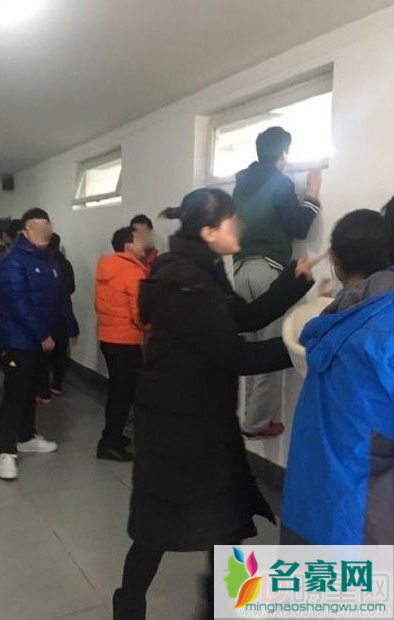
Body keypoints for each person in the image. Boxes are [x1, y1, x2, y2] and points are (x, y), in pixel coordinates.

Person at [114, 188, 315, 620]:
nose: (239, 225)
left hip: (197, 420)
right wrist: (307, 344)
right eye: (231, 220)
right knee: (159, 530)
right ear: (208, 231)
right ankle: (131, 607)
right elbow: (236, 356)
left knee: (222, 524)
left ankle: (219, 607)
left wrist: (294, 281)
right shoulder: (186, 283)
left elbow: (243, 318)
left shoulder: (201, 272)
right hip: (181, 429)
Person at [282, 209, 394, 545]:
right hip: (363, 523)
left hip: (313, 507)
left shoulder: (340, 318)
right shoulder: (382, 328)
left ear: (336, 261)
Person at [232, 126, 323, 438]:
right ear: (283, 154)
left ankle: (247, 415)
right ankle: (256, 423)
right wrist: (312, 193)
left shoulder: (240, 186)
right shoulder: (279, 182)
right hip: (268, 269)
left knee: (249, 347)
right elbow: (298, 227)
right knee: (269, 347)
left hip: (241, 270)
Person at [0, 208, 79, 481]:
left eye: (48, 228)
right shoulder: (13, 261)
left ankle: (27, 437)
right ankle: (6, 451)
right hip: (19, 341)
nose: (45, 233)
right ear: (25, 231)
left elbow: (61, 298)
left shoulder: (51, 260)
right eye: (38, 228)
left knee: (31, 390)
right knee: (15, 395)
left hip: (43, 342)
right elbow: (17, 302)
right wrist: (42, 334)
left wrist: (70, 328)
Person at [94, 226, 149, 462]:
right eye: (139, 239)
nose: (144, 243)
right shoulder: (132, 272)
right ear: (128, 245)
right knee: (123, 394)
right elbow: (140, 313)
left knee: (118, 391)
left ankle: (113, 436)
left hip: (109, 337)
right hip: (126, 340)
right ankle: (109, 443)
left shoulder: (107, 267)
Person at [36, 232, 78, 401]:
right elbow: (71, 287)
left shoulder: (41, 262)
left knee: (44, 354)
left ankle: (43, 390)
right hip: (63, 313)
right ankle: (57, 384)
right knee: (60, 351)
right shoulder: (65, 263)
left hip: (45, 315)